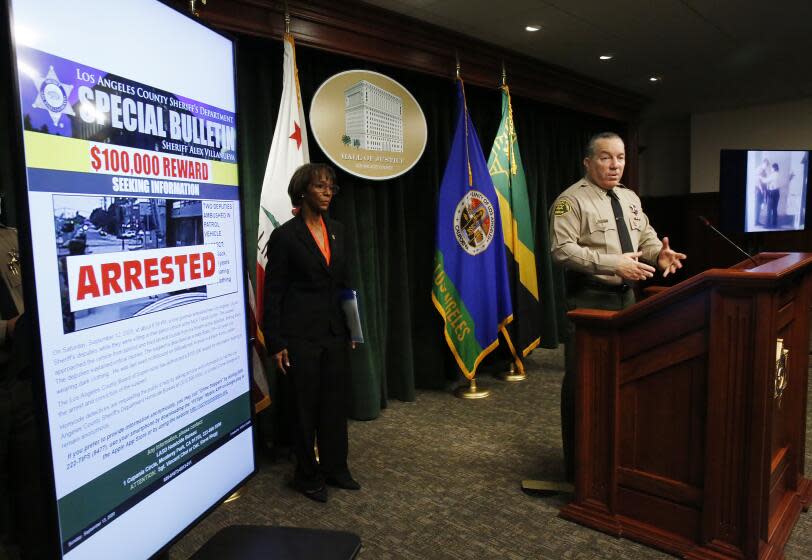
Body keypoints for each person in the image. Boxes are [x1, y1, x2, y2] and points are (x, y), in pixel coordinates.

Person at [549, 132, 687, 482]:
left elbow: (646, 237)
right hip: (589, 300)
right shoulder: (570, 201)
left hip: (628, 299)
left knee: (623, 378)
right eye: (606, 158)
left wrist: (660, 253)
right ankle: (578, 468)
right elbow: (560, 250)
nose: (615, 165)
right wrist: (613, 264)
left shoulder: (629, 198)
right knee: (584, 383)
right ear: (588, 162)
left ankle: (614, 458)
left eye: (621, 158)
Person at [262, 163, 359, 503]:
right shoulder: (285, 236)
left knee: (334, 404)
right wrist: (276, 343)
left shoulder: (339, 230)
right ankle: (306, 475)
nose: (328, 192)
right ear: (303, 191)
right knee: (304, 409)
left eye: (331, 187)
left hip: (334, 333)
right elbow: (272, 294)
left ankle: (336, 467)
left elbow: (346, 284)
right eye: (321, 187)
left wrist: (353, 329)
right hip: (299, 337)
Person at [0, 222, 50, 559]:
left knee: (33, 486)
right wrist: (9, 327)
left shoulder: (11, 236)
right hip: (3, 378)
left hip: (29, 375)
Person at [764, 162, 781, 228]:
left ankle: (767, 225)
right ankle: (774, 223)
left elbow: (765, 181)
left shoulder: (773, 175)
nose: (771, 169)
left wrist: (760, 177)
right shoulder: (779, 175)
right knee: (775, 209)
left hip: (772, 193)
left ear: (774, 168)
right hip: (777, 193)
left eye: (771, 168)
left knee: (769, 209)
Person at [754, 158, 770, 226]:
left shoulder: (764, 170)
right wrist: (761, 190)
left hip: (762, 190)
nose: (766, 167)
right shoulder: (759, 169)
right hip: (759, 190)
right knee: (757, 206)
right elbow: (757, 180)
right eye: (766, 165)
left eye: (767, 165)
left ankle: (757, 221)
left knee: (760, 206)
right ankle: (756, 222)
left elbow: (764, 180)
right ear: (763, 163)